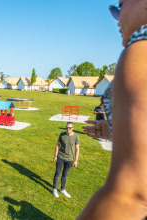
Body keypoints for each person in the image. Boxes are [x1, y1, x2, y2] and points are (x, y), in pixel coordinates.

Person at [78, 0, 147, 219]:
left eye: (120, 5)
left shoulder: (141, 50)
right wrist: (121, 132)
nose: (116, 17)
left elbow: (132, 195)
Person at [53, 122, 80, 198]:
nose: (68, 129)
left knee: (65, 175)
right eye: (67, 127)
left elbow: (77, 149)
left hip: (69, 159)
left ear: (73, 128)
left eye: (70, 128)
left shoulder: (76, 137)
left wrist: (76, 160)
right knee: (57, 173)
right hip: (60, 157)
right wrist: (55, 156)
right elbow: (58, 145)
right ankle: (54, 189)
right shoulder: (62, 134)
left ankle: (62, 189)